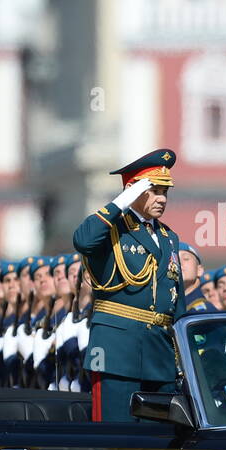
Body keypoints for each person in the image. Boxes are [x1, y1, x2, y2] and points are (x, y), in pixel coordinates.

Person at [73, 148, 186, 422]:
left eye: (165, 192)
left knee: (160, 437)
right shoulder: (112, 229)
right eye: (154, 191)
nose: (161, 199)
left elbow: (176, 301)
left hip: (159, 352)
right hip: (117, 350)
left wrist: (182, 353)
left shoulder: (169, 237)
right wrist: (121, 201)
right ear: (134, 192)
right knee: (115, 435)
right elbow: (83, 241)